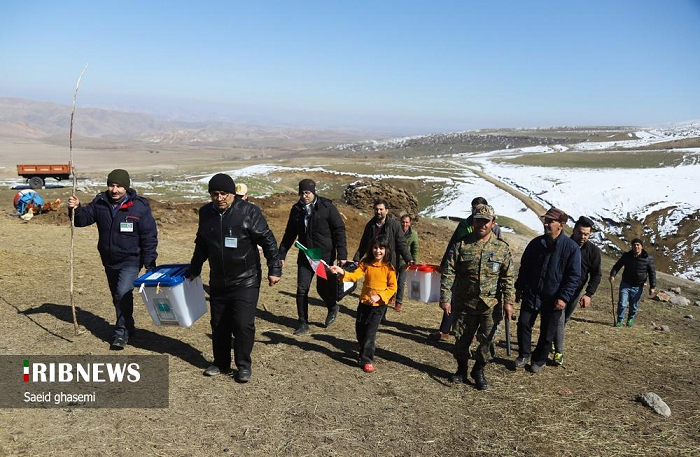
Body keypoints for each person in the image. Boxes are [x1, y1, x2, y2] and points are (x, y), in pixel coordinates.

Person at [190, 173, 281, 383]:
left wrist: (274, 268)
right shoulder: (206, 213)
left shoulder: (249, 212)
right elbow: (202, 243)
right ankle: (221, 362)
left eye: (224, 193)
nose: (220, 198)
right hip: (218, 280)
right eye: (215, 194)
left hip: (246, 279)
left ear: (232, 194)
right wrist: (194, 267)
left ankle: (243, 365)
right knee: (219, 323)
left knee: (242, 324)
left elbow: (267, 240)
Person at [67, 169, 158, 350]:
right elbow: (82, 220)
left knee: (122, 292)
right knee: (117, 297)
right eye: (112, 185)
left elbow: (149, 235)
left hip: (131, 259)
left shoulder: (139, 206)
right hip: (109, 259)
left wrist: (149, 262)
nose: (114, 190)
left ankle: (121, 333)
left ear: (126, 187)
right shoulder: (100, 202)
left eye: (119, 186)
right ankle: (129, 325)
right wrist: (75, 208)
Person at [439, 204, 514, 390]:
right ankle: (461, 369)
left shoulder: (501, 249)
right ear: (473, 222)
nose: (482, 224)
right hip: (465, 303)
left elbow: (507, 277)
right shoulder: (461, 245)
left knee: (488, 340)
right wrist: (445, 298)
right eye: (478, 220)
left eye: (486, 221)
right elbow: (449, 273)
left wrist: (508, 302)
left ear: (493, 223)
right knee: (462, 338)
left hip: (490, 304)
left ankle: (478, 370)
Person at [514, 207, 581, 373]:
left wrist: (564, 297)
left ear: (561, 225)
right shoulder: (536, 244)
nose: (547, 224)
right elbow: (525, 268)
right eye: (546, 220)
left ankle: (538, 360)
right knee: (523, 323)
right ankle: (523, 354)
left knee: (547, 332)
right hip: (532, 293)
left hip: (554, 297)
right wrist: (520, 287)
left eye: (551, 221)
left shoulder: (571, 248)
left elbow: (574, 276)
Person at [278, 179, 347, 335]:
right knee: (302, 289)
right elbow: (289, 234)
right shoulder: (296, 210)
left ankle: (332, 307)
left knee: (322, 289)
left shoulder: (327, 207)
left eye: (307, 192)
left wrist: (342, 255)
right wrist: (281, 254)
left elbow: (339, 230)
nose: (304, 196)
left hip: (323, 256)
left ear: (314, 192)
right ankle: (303, 323)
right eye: (302, 193)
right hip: (305, 254)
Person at [429, 196, 502, 341]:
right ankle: (445, 330)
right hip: (462, 268)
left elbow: (499, 250)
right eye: (474, 208)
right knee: (454, 297)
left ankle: (476, 332)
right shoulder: (464, 224)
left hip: (485, 275)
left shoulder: (494, 228)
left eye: (479, 208)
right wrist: (444, 263)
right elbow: (453, 243)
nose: (476, 211)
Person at [330, 234, 397, 373]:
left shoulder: (389, 268)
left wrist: (380, 296)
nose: (378, 251)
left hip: (378, 306)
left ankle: (367, 359)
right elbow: (354, 276)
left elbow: (392, 287)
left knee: (370, 333)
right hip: (364, 302)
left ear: (387, 250)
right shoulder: (366, 263)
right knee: (360, 329)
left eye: (381, 248)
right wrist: (341, 271)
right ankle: (363, 350)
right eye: (375, 247)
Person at [552, 216, 602, 365]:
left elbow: (596, 274)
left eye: (586, 234)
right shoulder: (563, 244)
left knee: (565, 319)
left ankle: (555, 340)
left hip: (576, 291)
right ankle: (559, 352)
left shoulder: (593, 251)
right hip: (559, 290)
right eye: (580, 233)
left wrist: (589, 294)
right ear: (574, 231)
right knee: (558, 320)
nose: (583, 237)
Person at [353, 199, 413, 293]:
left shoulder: (395, 225)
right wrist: (356, 259)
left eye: (381, 209)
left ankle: (384, 303)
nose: (378, 212)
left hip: (389, 262)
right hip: (373, 262)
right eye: (376, 209)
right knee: (374, 286)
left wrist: (409, 259)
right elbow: (364, 244)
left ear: (386, 210)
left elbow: (402, 244)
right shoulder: (370, 225)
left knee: (388, 288)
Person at [609, 238, 656, 327]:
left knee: (633, 305)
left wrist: (652, 286)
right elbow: (617, 266)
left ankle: (630, 318)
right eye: (634, 245)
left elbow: (652, 273)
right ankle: (620, 320)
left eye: (638, 245)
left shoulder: (648, 258)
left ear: (642, 246)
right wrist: (613, 275)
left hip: (638, 286)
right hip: (625, 284)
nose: (636, 247)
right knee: (622, 303)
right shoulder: (627, 256)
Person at [395, 214, 419, 312]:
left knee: (401, 282)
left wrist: (414, 264)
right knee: (391, 280)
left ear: (410, 223)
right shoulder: (396, 231)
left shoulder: (413, 234)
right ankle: (391, 296)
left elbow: (415, 250)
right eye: (403, 222)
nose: (404, 224)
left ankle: (399, 302)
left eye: (406, 222)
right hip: (394, 260)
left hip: (405, 262)